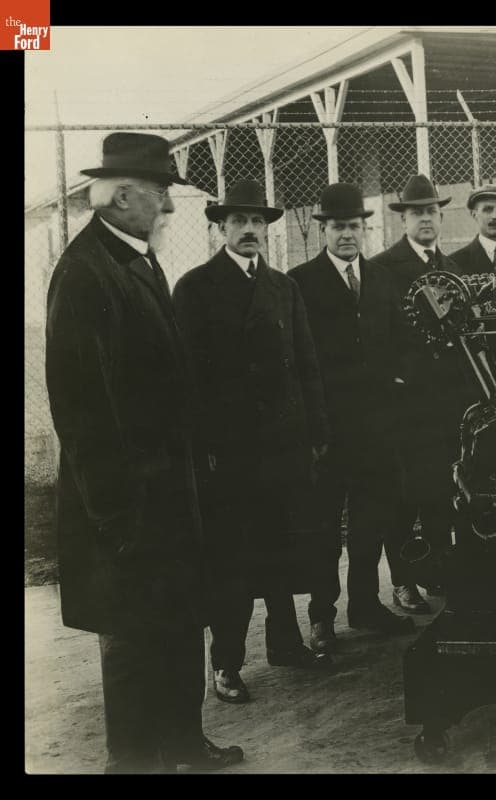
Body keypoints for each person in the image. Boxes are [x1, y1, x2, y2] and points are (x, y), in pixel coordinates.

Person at [44, 132, 243, 771]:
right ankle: (131, 763)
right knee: (131, 641)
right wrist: (113, 517)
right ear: (122, 193)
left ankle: (184, 745)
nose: (170, 208)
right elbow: (81, 413)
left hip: (165, 495)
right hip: (126, 505)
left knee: (181, 622)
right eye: (161, 193)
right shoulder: (84, 273)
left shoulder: (135, 258)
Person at [172, 180, 333, 705]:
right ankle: (227, 664)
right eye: (238, 221)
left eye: (257, 222)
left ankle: (286, 645)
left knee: (283, 551)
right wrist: (205, 449)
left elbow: (308, 365)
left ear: (267, 228)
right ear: (220, 228)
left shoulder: (284, 288)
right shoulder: (195, 288)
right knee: (233, 563)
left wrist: (315, 433)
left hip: (283, 446)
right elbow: (188, 378)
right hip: (231, 453)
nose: (248, 231)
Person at [288, 183, 416, 639]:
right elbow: (297, 359)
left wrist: (398, 381)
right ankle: (322, 614)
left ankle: (365, 604)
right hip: (329, 429)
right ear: (324, 229)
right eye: (339, 227)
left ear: (365, 229)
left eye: (355, 226)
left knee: (371, 522)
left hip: (377, 427)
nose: (347, 235)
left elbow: (404, 341)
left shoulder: (382, 279)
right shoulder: (300, 282)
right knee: (324, 527)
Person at [371, 174, 470, 615]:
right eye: (417, 213)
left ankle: (435, 570)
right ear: (403, 220)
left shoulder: (452, 271)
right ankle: (403, 581)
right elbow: (377, 337)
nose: (426, 219)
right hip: (406, 406)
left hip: (447, 403)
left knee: (440, 492)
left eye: (432, 211)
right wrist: (397, 380)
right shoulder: (383, 269)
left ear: (440, 217)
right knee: (403, 497)